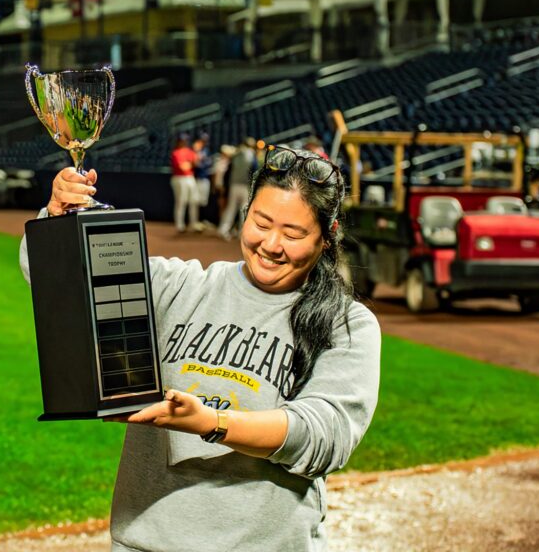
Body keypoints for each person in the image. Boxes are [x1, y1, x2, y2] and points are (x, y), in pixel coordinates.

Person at [19, 145, 381, 551]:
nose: (271, 244)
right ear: (245, 214)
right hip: (148, 542)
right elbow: (55, 279)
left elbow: (323, 436)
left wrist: (210, 422)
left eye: (294, 234)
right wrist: (57, 216)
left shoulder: (346, 323)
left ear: (326, 239)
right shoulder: (182, 287)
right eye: (262, 223)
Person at [218, 137, 257, 240]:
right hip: (244, 186)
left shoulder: (236, 154)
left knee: (231, 208)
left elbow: (229, 171)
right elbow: (254, 171)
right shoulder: (251, 155)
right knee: (243, 209)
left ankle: (223, 230)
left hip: (234, 185)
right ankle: (242, 232)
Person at [169, 137, 199, 233]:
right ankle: (180, 225)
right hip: (179, 178)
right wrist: (189, 163)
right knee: (181, 202)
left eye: (185, 140)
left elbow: (196, 162)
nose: (183, 142)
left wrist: (191, 161)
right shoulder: (176, 153)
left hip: (189, 177)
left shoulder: (189, 151)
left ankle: (193, 224)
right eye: (182, 140)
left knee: (194, 201)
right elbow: (183, 167)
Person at [192, 134, 214, 229]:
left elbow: (209, 163)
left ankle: (202, 220)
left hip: (204, 178)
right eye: (202, 140)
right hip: (197, 178)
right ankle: (195, 221)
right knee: (195, 201)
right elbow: (197, 165)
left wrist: (203, 162)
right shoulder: (195, 151)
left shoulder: (206, 151)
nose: (204, 142)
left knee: (203, 201)